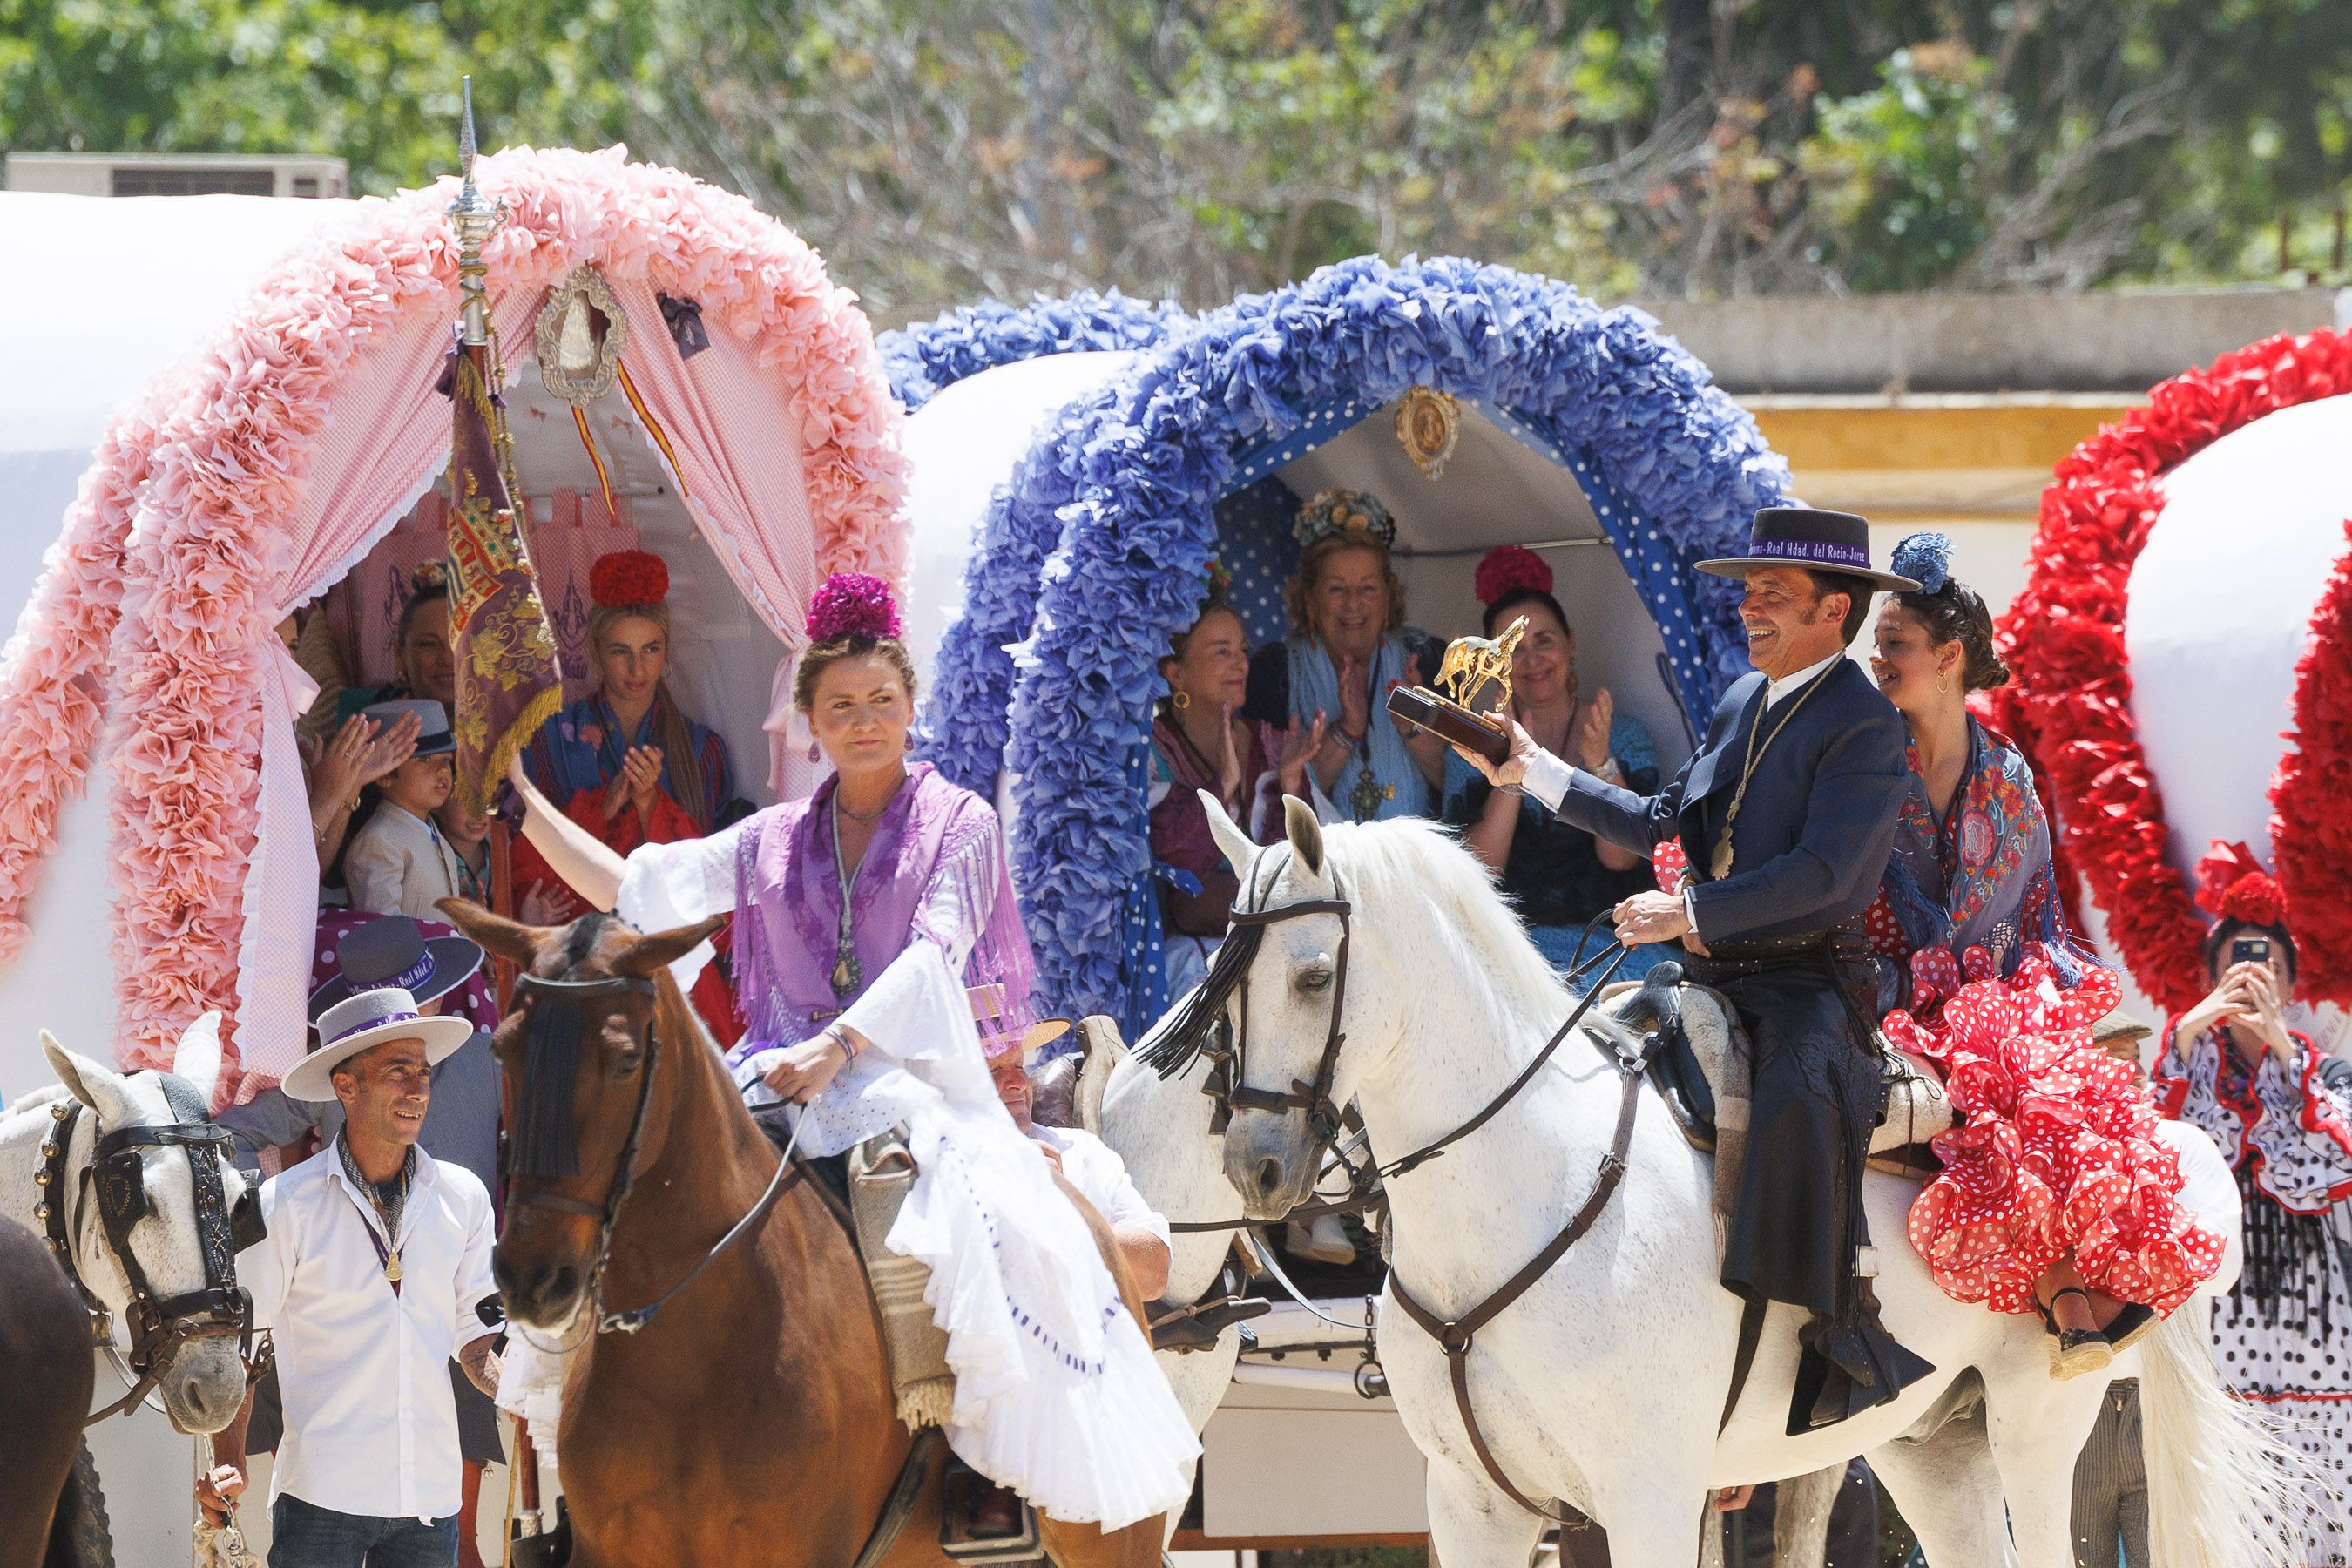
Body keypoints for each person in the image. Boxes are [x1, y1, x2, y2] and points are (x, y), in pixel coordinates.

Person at [503, 571, 1198, 1531]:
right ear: (810, 724)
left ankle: (977, 1479)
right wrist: (522, 801)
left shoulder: (964, 825)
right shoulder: (774, 837)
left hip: (912, 1085)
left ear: (911, 710)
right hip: (778, 1077)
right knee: (640, 1184)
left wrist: (838, 1048)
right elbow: (636, 889)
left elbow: (929, 962)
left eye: (881, 701)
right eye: (841, 706)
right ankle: (579, 1474)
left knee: (973, 1224)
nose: (863, 720)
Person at [1462, 505, 1933, 1432]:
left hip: (1809, 984)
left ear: (1833, 610)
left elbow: (1827, 877)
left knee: (1799, 1093)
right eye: (1748, 593)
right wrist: (1535, 772)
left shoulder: (1866, 727)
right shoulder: (1737, 699)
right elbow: (1660, 822)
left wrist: (1687, 911)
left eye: (1773, 596)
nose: (1749, 610)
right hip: (1710, 971)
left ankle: (1833, 1335)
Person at [1863, 533, 2220, 1376]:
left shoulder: (2010, 778)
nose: (1877, 659)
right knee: (2001, 1065)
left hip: (1994, 991)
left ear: (1949, 657)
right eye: (1876, 643)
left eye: (1896, 644)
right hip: (1881, 993)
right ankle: (2063, 1292)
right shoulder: (1863, 762)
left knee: (2059, 1076)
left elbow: (2033, 917)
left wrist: (2018, 1003)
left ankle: (2089, 1282)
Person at [217, 916, 504, 1566]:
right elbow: (245, 1348)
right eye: (398, 1070)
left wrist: (526, 1390)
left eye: (423, 1070)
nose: (418, 1087)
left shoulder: (463, 1198)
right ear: (345, 1087)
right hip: (322, 1503)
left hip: (429, 1504)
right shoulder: (283, 1207)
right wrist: (227, 1463)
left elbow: (477, 1339)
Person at [2155, 841, 2352, 1558]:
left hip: (2316, 1315)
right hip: (2224, 1308)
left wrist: (2285, 1055)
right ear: (2210, 981)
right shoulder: (2182, 1072)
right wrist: (2184, 1034)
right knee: (2237, 1493)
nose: (2251, 980)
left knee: (2325, 1494)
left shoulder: (2326, 1074)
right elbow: (2154, 1156)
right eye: (2235, 968)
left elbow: (2333, 1161)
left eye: (2266, 965)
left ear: (2291, 982)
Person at [517, 549, 742, 1044]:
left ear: (667, 649)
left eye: (651, 649)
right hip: (584, 940)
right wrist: (604, 806)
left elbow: (716, 862)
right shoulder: (553, 737)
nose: (637, 668)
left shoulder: (702, 749)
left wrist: (649, 806)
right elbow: (531, 844)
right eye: (621, 650)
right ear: (596, 650)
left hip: (671, 946)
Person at [1443, 545, 1665, 982]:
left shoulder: (1625, 735)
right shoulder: (1470, 746)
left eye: (1544, 641)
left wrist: (1600, 763)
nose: (1532, 660)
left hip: (1611, 944)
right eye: (1514, 649)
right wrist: (1508, 774)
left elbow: (1622, 861)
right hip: (1508, 947)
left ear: (1571, 645)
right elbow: (1478, 874)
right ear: (1493, 664)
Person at [1150, 575, 1324, 991]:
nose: (1242, 664)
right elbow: (1178, 870)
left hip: (1271, 935)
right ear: (1176, 673)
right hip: (1189, 955)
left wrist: (1290, 781)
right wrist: (1222, 784)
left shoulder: (1269, 742)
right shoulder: (1152, 751)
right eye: (1222, 652)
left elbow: (1296, 862)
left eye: (1242, 650)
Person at [1242, 489, 1443, 822]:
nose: (1353, 603)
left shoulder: (1426, 659)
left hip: (1415, 865)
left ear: (1388, 596)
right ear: (1309, 602)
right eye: (1336, 588)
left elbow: (1463, 791)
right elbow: (1270, 812)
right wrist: (1345, 733)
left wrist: (1415, 726)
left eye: (1368, 588)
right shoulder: (1273, 672)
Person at [987, 1017, 1172, 1301]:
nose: (1017, 1082)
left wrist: (1062, 1212)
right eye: (994, 1070)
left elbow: (1154, 1272)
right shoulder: (932, 1169)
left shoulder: (1081, 1151)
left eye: (1019, 1066)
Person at [344, 701, 465, 922]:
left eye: (446, 759)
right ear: (384, 775)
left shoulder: (429, 828)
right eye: (425, 759)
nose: (442, 770)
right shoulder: (378, 841)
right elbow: (384, 932)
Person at [334, 564, 457, 724]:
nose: (447, 658)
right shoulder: (363, 724)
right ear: (400, 656)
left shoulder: (499, 725)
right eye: (429, 644)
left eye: (459, 642)